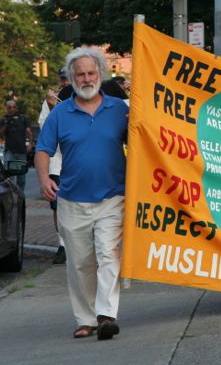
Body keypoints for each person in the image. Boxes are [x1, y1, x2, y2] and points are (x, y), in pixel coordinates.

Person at [35, 47, 129, 340]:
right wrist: (43, 179)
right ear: (71, 78)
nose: (86, 79)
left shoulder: (120, 109)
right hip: (72, 198)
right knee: (79, 262)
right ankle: (85, 319)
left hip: (113, 196)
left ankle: (106, 315)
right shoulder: (61, 112)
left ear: (100, 73)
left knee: (108, 254)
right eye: (80, 74)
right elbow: (42, 150)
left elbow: (145, 139)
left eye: (91, 73)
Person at [38, 67, 70, 264]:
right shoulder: (51, 102)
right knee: (58, 206)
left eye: (68, 78)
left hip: (77, 165)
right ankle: (62, 245)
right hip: (56, 165)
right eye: (63, 79)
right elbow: (44, 129)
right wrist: (51, 107)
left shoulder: (83, 98)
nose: (65, 82)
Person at [0, 100, 33, 192]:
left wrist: (30, 143)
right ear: (7, 108)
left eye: (13, 107)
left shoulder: (22, 118)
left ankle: (20, 195)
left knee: (21, 177)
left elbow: (29, 131)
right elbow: (1, 134)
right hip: (9, 151)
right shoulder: (4, 120)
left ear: (16, 107)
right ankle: (10, 195)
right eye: (9, 107)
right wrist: (7, 122)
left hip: (21, 151)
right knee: (9, 176)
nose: (12, 109)